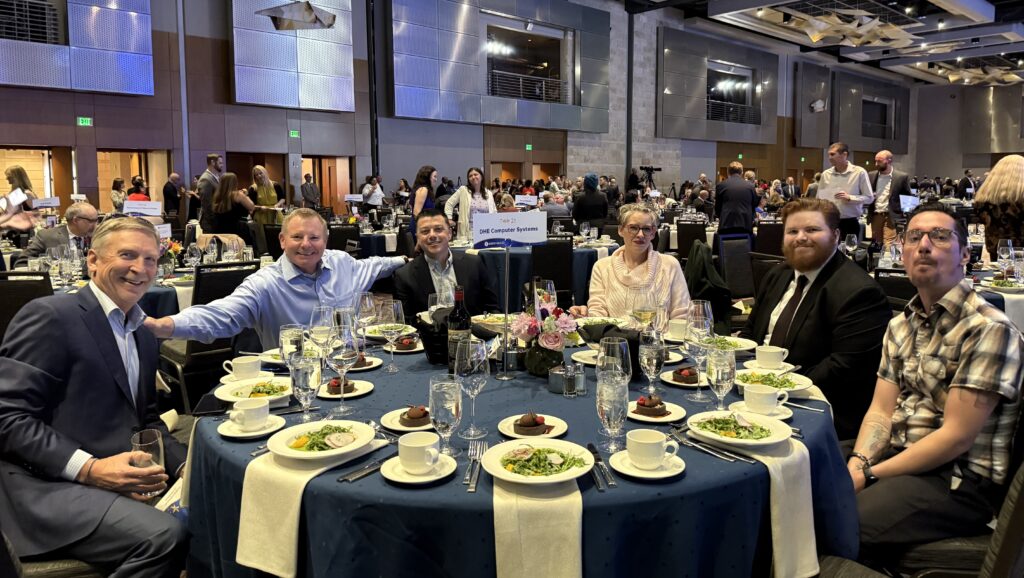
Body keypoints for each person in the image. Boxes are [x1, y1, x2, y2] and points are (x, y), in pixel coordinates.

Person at [0, 216, 188, 576]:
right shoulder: (51, 316)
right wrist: (90, 469)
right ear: (93, 261)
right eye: (128, 255)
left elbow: (146, 422)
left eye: (150, 259)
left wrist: (184, 466)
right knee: (165, 536)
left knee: (214, 505)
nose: (140, 269)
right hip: (43, 486)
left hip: (118, 476)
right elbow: (7, 418)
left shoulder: (142, 332)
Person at [847, 202, 1022, 565]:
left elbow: (955, 437)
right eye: (914, 237)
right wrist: (858, 462)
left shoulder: (988, 329)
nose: (924, 245)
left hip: (956, 480)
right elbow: (880, 411)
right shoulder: (901, 325)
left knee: (835, 520)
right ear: (903, 252)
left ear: (965, 256)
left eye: (940, 237)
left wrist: (869, 474)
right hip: (898, 454)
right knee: (793, 479)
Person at [145, 209, 407, 349]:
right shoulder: (265, 284)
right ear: (282, 240)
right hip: (295, 378)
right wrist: (165, 325)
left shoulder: (342, 264)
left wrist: (405, 260)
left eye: (314, 238)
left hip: (352, 369)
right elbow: (221, 315)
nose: (306, 245)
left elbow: (374, 265)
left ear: (325, 241)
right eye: (297, 237)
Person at [739, 198, 891, 439]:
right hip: (755, 394)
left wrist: (774, 388)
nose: (801, 237)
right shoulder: (778, 274)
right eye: (792, 231)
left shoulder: (859, 291)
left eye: (812, 229)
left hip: (815, 411)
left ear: (836, 235)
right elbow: (750, 333)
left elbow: (842, 369)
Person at [569, 203, 690, 328]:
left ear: (653, 233)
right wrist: (586, 315)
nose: (640, 235)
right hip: (616, 343)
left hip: (659, 343)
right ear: (620, 230)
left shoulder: (669, 265)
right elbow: (599, 312)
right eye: (633, 228)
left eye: (646, 229)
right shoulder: (602, 267)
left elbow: (682, 315)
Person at [393, 209, 498, 315]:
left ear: (449, 234)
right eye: (425, 231)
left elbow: (493, 309)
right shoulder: (404, 276)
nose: (432, 235)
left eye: (438, 229)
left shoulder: (474, 264)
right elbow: (406, 323)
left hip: (473, 330)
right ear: (418, 238)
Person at [817, 142, 874, 241]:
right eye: (829, 155)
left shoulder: (859, 172)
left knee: (849, 252)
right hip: (830, 221)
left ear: (844, 155)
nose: (829, 157)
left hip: (849, 222)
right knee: (830, 253)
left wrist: (850, 198)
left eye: (832, 154)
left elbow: (869, 198)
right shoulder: (826, 174)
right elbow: (819, 198)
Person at [15, 201, 99, 268]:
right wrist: (48, 267)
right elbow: (22, 262)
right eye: (91, 221)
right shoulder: (47, 236)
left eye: (96, 220)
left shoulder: (99, 236)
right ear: (75, 220)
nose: (95, 225)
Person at [973, 154, 1024, 259]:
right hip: (1021, 250)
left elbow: (980, 220)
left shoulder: (983, 200)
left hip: (997, 248)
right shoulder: (1020, 201)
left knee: (1000, 273)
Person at [868, 150, 912, 249]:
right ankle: (877, 264)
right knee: (876, 245)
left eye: (879, 161)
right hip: (876, 215)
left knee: (889, 245)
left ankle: (887, 264)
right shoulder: (871, 175)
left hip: (892, 216)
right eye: (875, 161)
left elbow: (909, 197)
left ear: (889, 160)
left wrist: (907, 217)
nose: (876, 164)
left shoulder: (901, 177)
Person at [444, 167, 496, 240]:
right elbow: (449, 203)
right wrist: (449, 218)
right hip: (468, 233)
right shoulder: (463, 190)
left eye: (475, 174)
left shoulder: (489, 193)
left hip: (486, 232)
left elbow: (494, 211)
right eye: (470, 176)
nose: (473, 177)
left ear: (481, 176)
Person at [714, 161, 760, 236]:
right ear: (742, 172)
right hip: (745, 226)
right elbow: (754, 205)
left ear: (728, 172)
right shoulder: (750, 186)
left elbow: (718, 208)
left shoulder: (721, 185)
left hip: (726, 225)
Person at [209, 172, 256, 238]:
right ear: (234, 182)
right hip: (235, 231)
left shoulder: (217, 196)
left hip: (218, 231)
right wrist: (246, 195)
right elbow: (252, 207)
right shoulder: (238, 195)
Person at [1, 165, 37, 232]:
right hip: (12, 230)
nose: (6, 178)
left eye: (8, 175)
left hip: (22, 232)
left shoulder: (27, 193)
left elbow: (35, 213)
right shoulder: (14, 193)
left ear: (16, 177)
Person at [197, 153, 224, 232]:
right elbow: (207, 204)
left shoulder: (216, 176)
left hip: (216, 221)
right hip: (211, 224)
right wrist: (216, 222)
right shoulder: (205, 179)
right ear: (213, 162)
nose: (222, 165)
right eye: (220, 163)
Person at [411, 165, 438, 235]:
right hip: (421, 228)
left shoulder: (425, 190)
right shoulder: (423, 189)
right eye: (434, 176)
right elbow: (416, 212)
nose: (436, 179)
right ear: (427, 177)